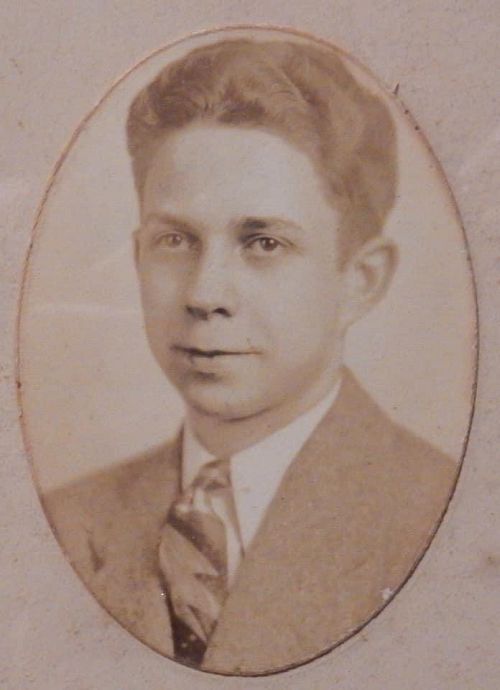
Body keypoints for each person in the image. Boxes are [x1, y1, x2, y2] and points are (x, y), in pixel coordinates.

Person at [43, 38, 457, 675]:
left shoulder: (445, 523)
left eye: (263, 243)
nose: (204, 294)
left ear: (360, 281)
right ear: (138, 255)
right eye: (175, 239)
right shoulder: (66, 519)